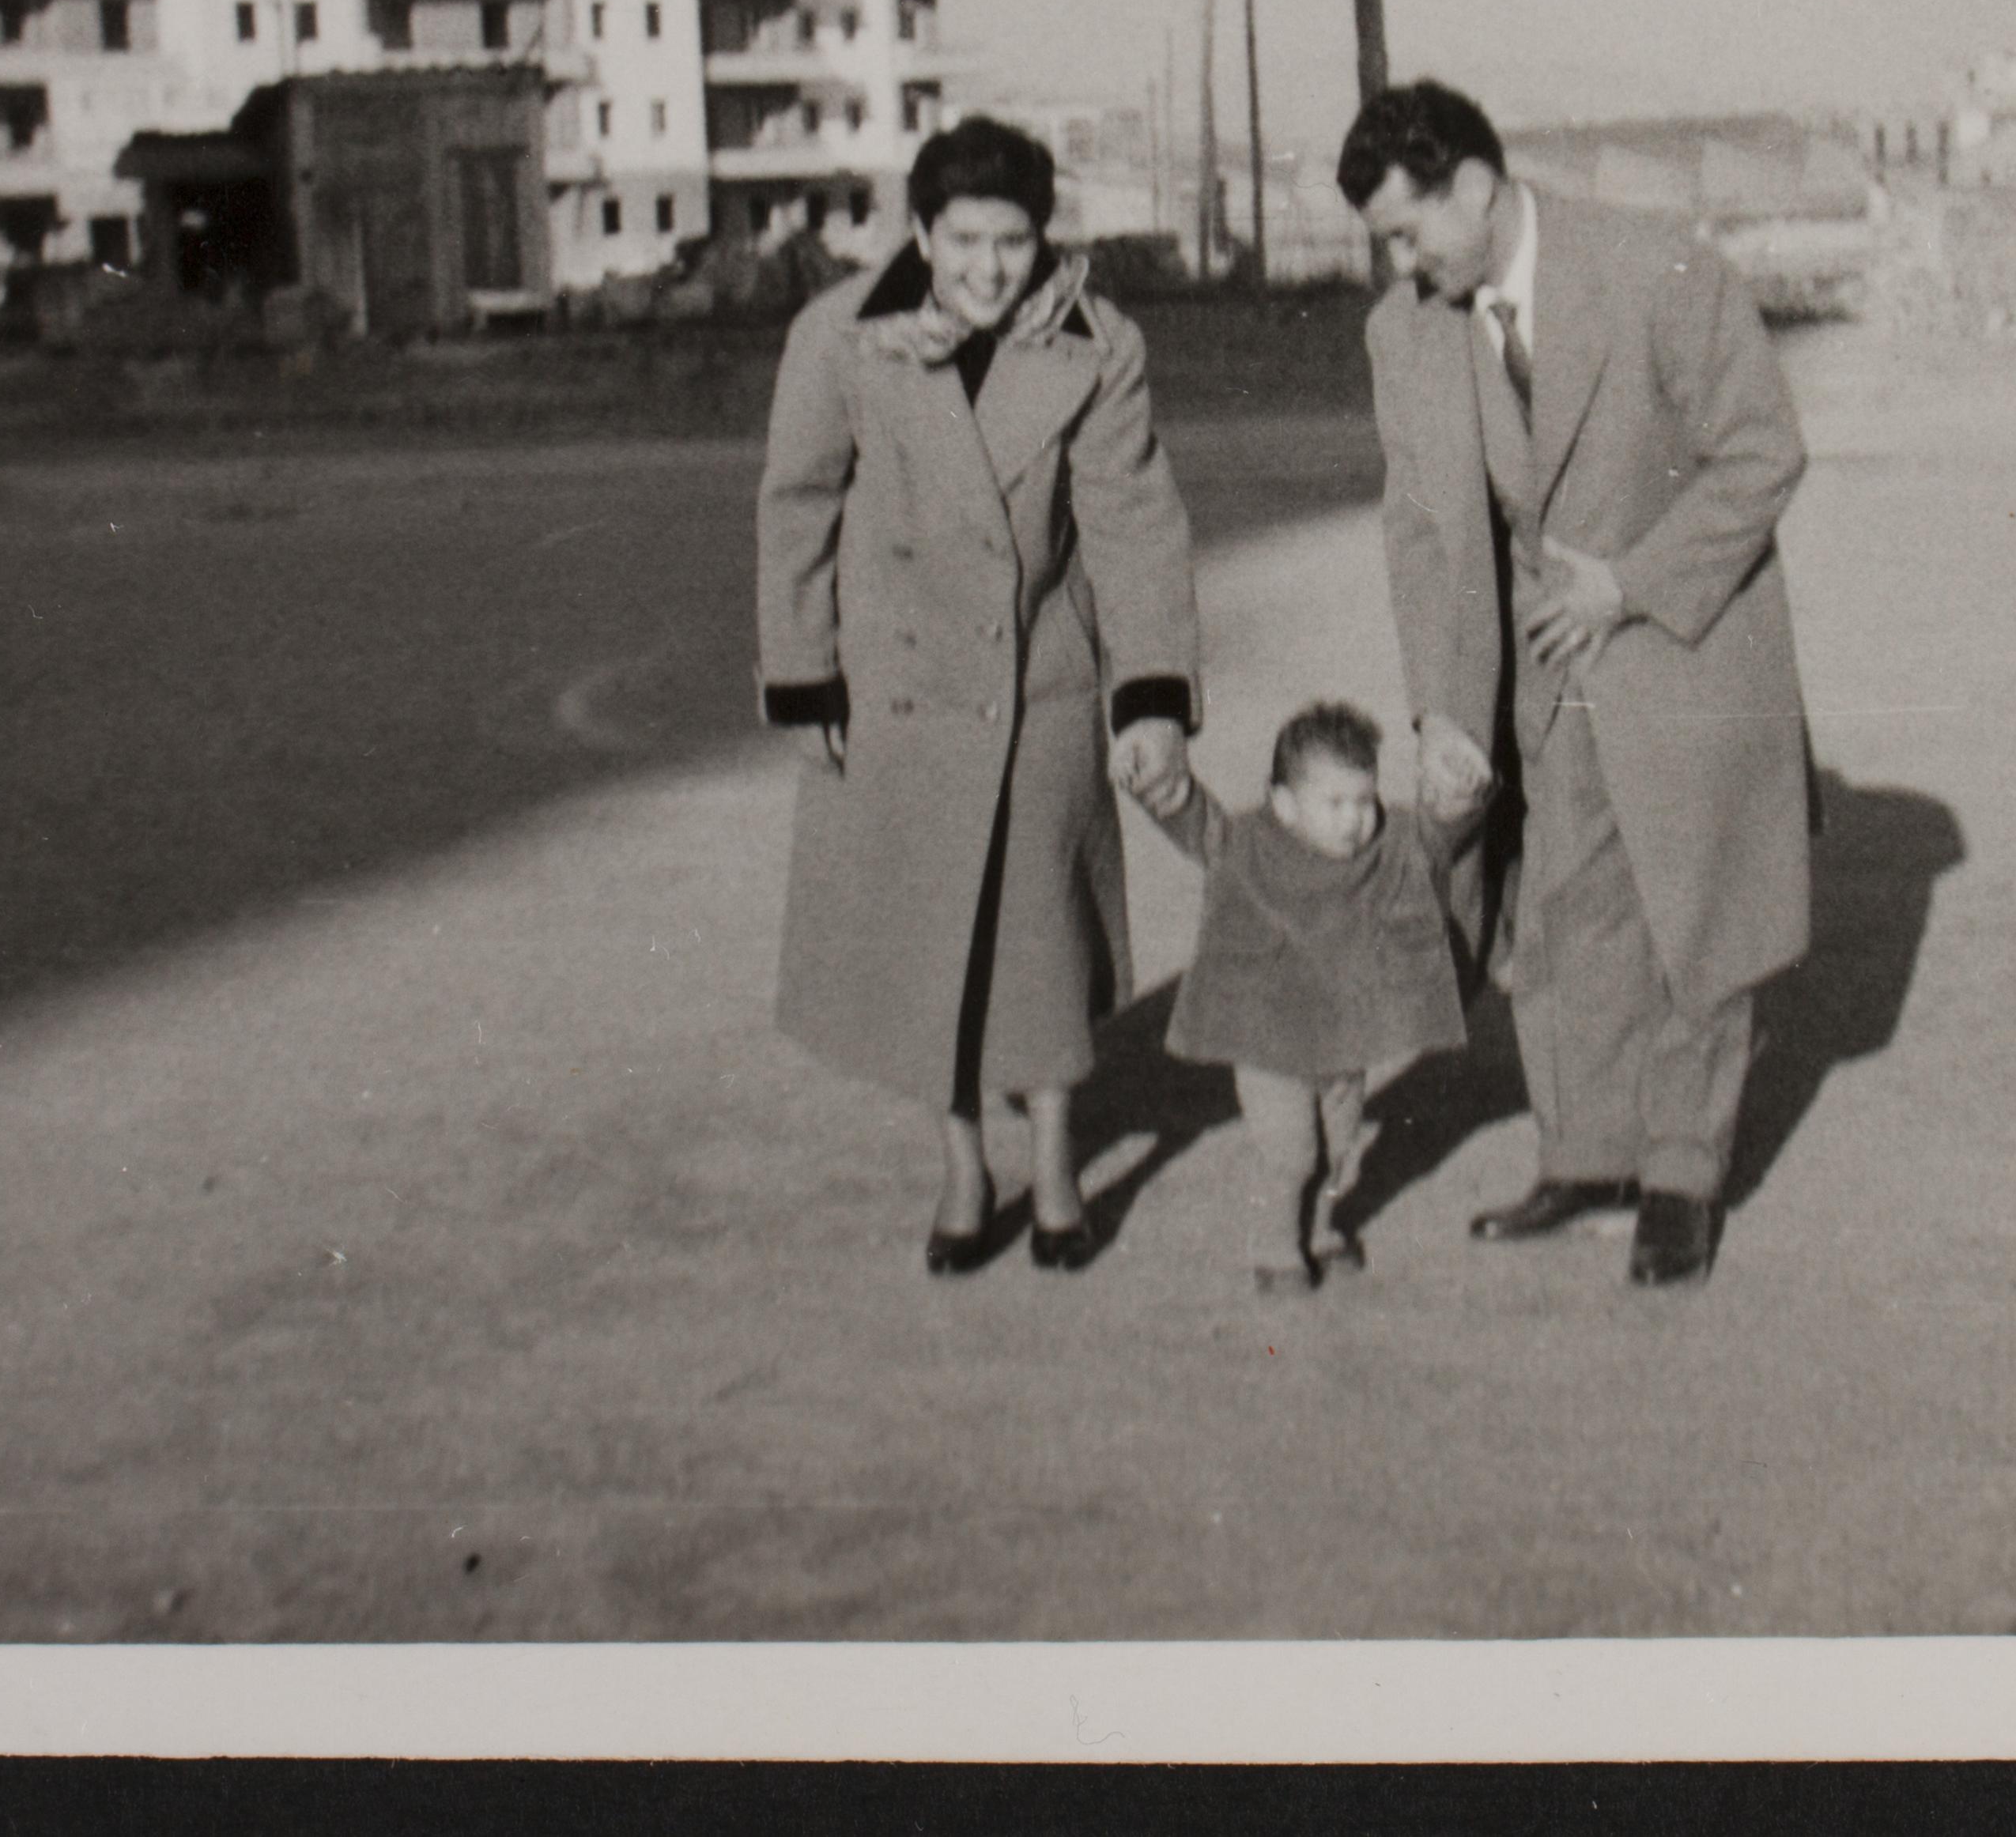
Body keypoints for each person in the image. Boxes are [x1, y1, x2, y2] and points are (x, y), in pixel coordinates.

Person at [1338, 80, 1814, 1290]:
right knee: (1561, 913)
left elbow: (1761, 449)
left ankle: (1678, 1179)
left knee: (1688, 919)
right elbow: (1422, 531)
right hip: (1541, 668)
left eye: (1408, 231)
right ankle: (1586, 1153)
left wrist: (1633, 582)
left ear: (1479, 191)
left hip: (1684, 638)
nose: (1398, 262)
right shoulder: (1405, 330)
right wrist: (1442, 706)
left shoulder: (1654, 268)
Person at [756, 116, 1202, 1275]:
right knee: (923, 946)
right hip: (895, 691)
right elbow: (794, 508)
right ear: (919, 232)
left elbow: (1131, 520)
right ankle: (961, 1163)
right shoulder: (838, 339)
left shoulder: (1097, 342)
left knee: (1040, 939)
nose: (988, 269)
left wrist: (1147, 692)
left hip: (1040, 682)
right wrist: (806, 678)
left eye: (1011, 242)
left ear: (1040, 239)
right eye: (963, 242)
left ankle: (1053, 1161)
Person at [1123, 700, 1473, 1294]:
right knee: (1290, 1152)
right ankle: (1278, 1247)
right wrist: (1160, 783)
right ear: (1283, 803)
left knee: (1337, 1148)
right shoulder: (1247, 843)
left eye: (1363, 800)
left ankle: (1319, 1231)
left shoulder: (1387, 843)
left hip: (1343, 1036)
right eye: (1333, 803)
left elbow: (1435, 837)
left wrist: (1458, 798)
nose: (1353, 821)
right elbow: (1195, 820)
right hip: (1267, 1038)